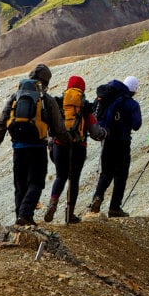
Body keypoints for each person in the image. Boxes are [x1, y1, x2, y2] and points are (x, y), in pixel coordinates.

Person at [0, 64, 67, 227]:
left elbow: (2, 122)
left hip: (18, 148)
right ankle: (25, 215)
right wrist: (67, 142)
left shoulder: (15, 97)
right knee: (36, 182)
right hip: (37, 148)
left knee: (20, 185)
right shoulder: (47, 99)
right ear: (46, 81)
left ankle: (20, 219)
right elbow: (58, 128)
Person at [44, 76, 106, 224]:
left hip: (59, 145)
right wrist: (104, 133)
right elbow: (95, 131)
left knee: (60, 176)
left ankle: (52, 204)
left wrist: (51, 142)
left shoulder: (59, 103)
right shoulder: (84, 107)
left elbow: (49, 126)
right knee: (74, 180)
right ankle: (70, 214)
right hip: (78, 147)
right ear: (82, 89)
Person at [89, 75, 143, 217]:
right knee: (121, 175)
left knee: (106, 173)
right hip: (123, 143)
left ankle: (97, 198)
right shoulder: (132, 104)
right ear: (133, 90)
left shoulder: (109, 97)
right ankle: (114, 208)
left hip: (107, 140)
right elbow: (137, 125)